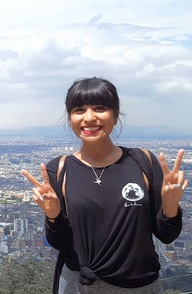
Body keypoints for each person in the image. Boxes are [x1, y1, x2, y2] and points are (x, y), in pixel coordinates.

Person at [21, 77, 185, 293]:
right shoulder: (59, 170)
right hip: (80, 287)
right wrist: (53, 215)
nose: (89, 118)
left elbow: (166, 235)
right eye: (79, 109)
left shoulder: (143, 162)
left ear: (115, 116)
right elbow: (59, 242)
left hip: (141, 287)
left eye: (100, 108)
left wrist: (171, 205)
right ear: (70, 118)